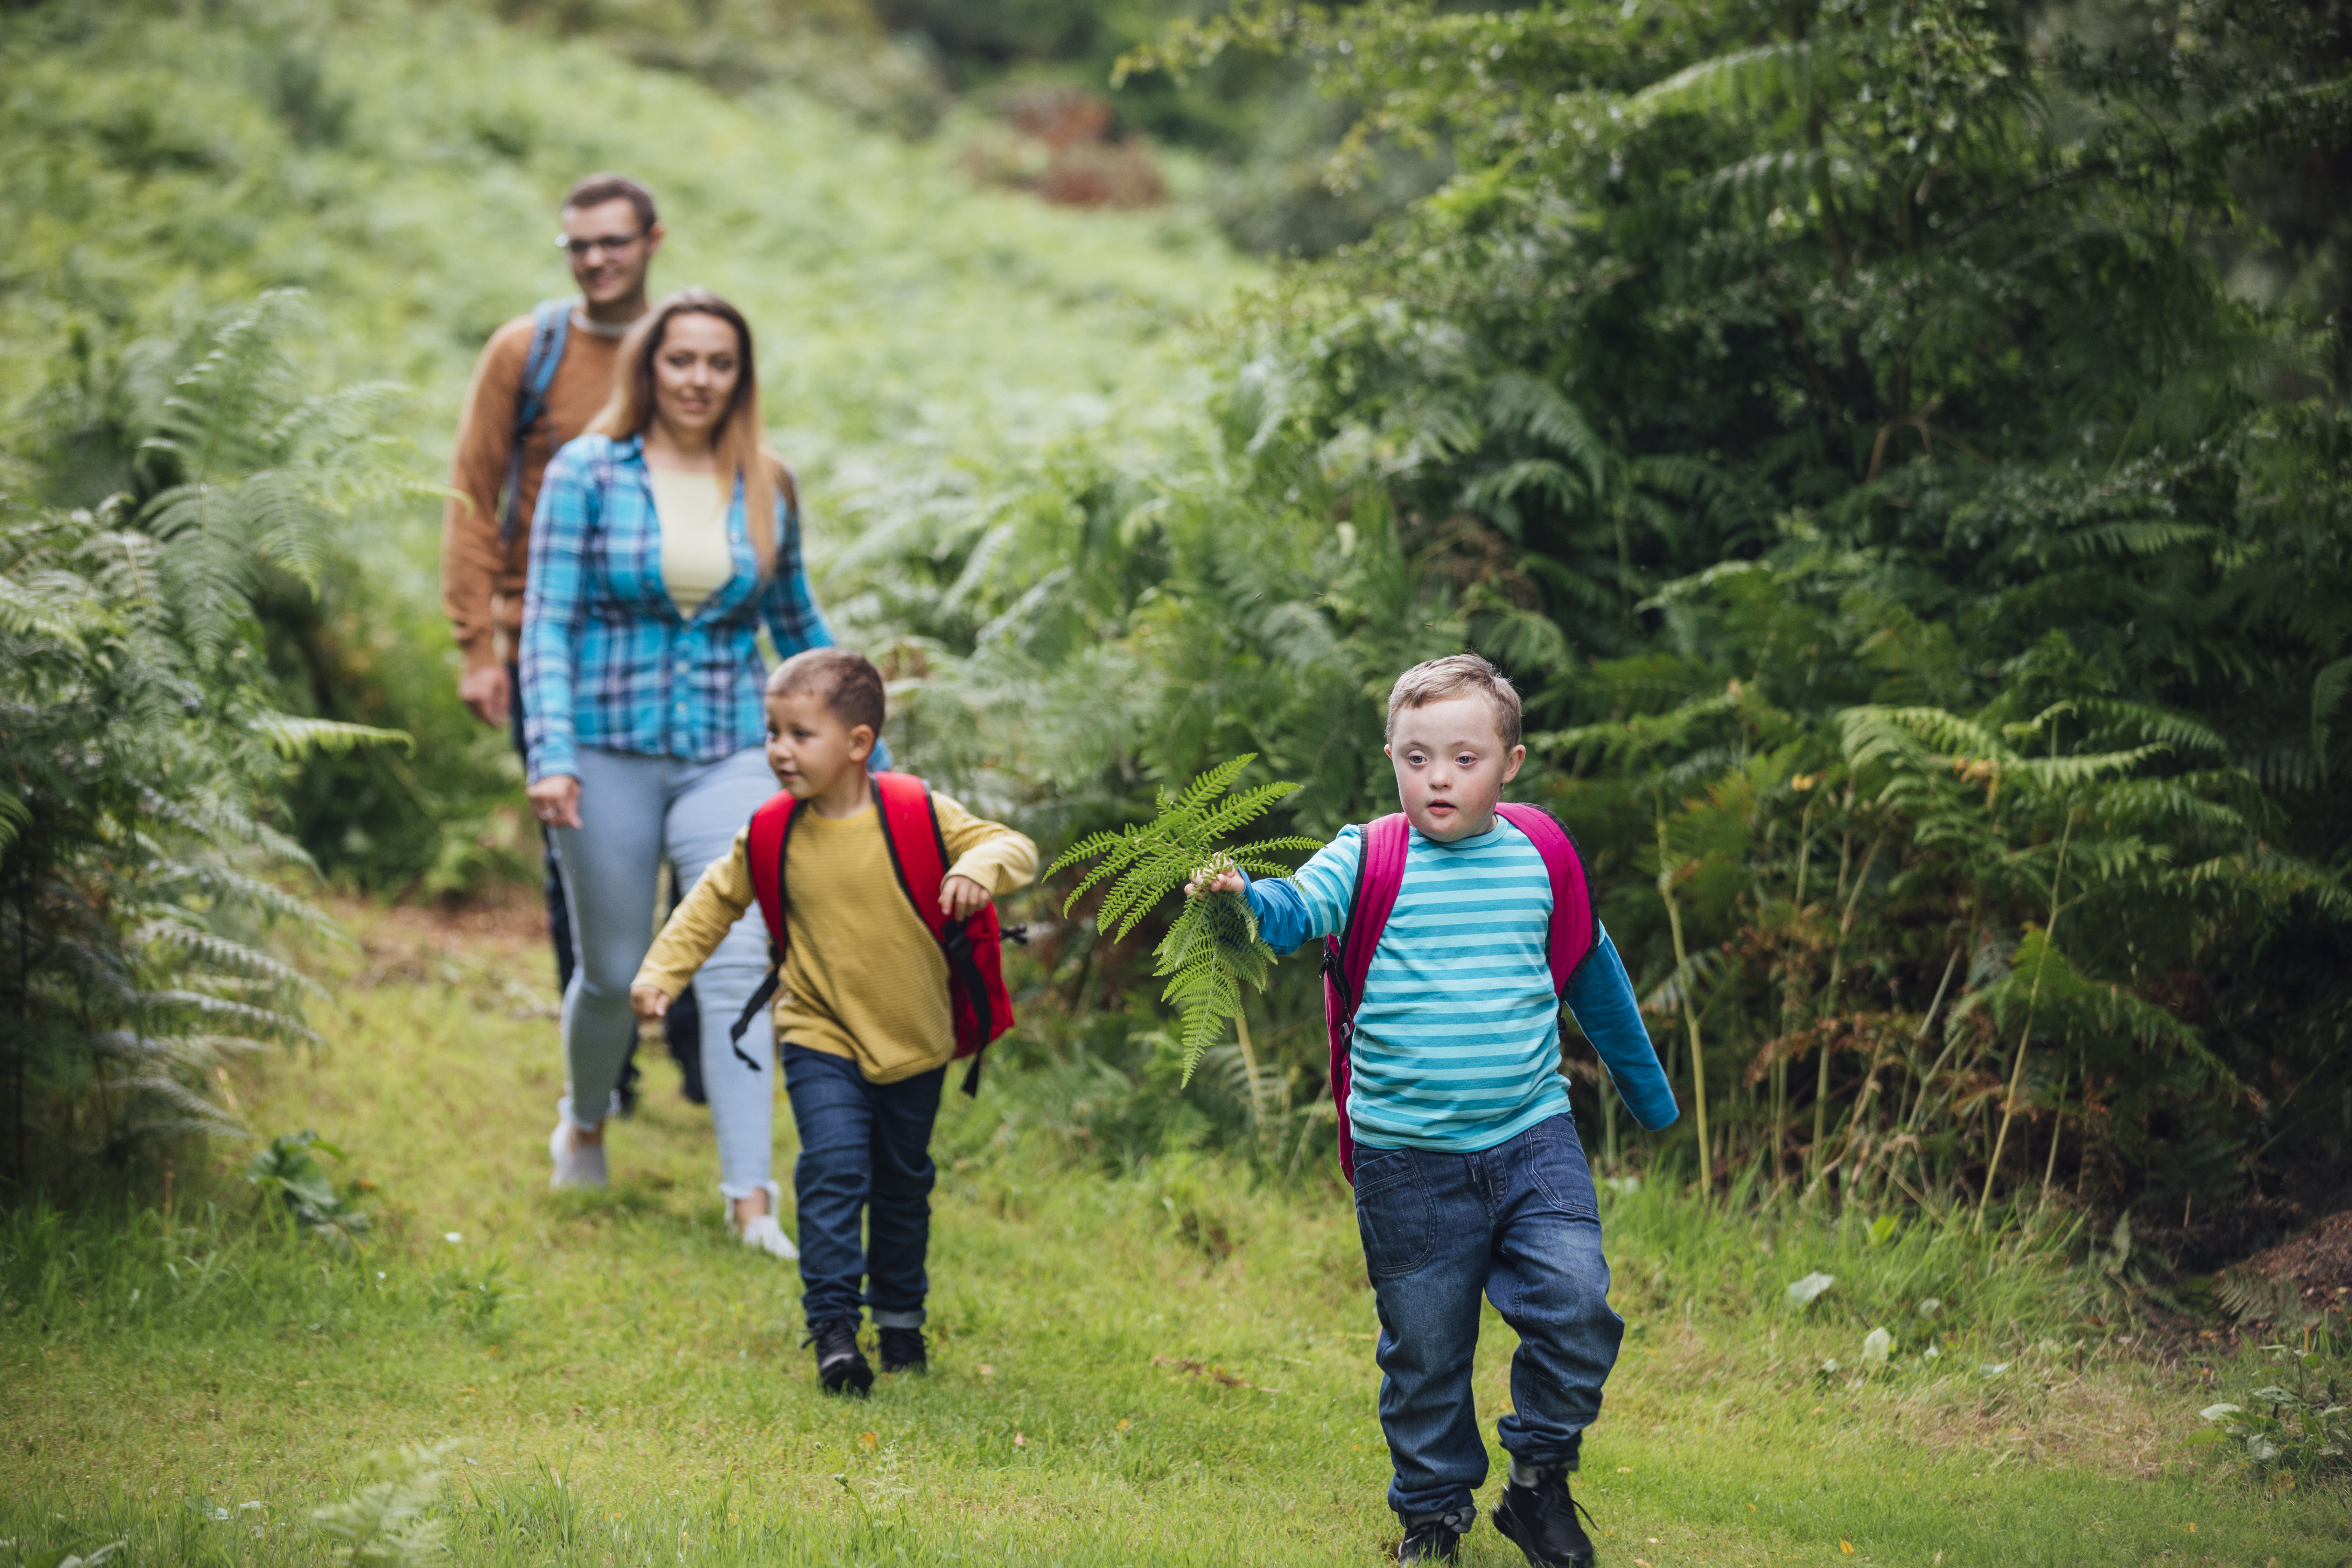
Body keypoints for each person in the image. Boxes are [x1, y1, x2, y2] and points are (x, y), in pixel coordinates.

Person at [1189, 653, 1679, 1568]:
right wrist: (1244, 899)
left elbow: (1588, 970)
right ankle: (1432, 1518)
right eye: (1416, 759)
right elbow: (1296, 912)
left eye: (1463, 758)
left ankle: (1538, 1484)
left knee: (1579, 1306)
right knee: (1425, 1358)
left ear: (1512, 761)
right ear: (1390, 757)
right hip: (1405, 1162)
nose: (1438, 779)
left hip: (1533, 1137)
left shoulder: (1542, 853)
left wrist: (1649, 1097)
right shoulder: (1367, 855)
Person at [522, 287, 876, 1260]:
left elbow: (800, 631)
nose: (699, 380)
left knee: (733, 968)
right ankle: (585, 1118)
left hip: (729, 751)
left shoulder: (767, 482)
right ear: (651, 367)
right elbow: (546, 624)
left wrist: (867, 755)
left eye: (720, 364)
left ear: (740, 378)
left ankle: (749, 1199)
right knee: (613, 972)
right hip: (601, 752)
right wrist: (549, 754)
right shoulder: (587, 472)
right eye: (682, 360)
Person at [628, 648, 1036, 1393]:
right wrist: (662, 972)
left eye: (800, 733)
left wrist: (980, 869)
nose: (780, 749)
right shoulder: (772, 829)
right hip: (818, 1031)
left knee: (904, 1182)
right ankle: (835, 1331)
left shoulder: (914, 810)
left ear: (858, 743)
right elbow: (711, 902)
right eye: (773, 731)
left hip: (915, 1037)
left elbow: (1013, 844)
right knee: (834, 1167)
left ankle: (903, 1321)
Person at [440, 171, 701, 1107]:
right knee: (576, 863)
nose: (594, 260)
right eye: (578, 246)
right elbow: (475, 492)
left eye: (612, 243)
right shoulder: (529, 349)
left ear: (652, 241)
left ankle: (693, 1037)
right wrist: (477, 641)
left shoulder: (688, 350)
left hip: (669, 652)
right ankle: (610, 1072)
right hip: (547, 644)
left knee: (695, 850)